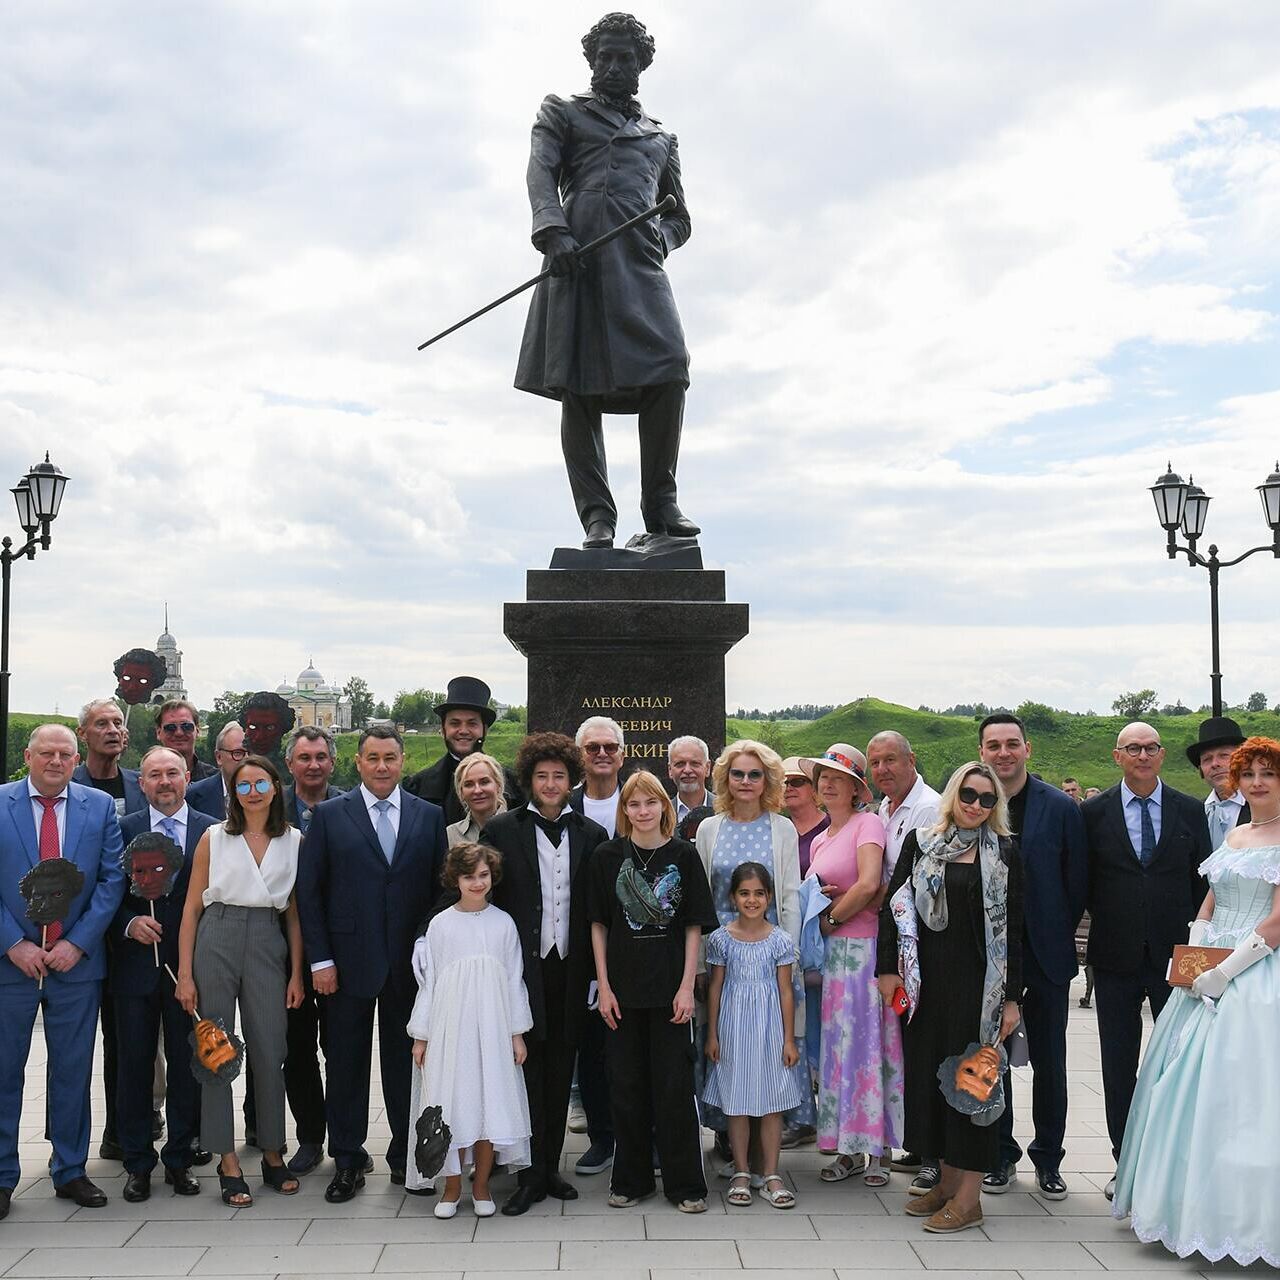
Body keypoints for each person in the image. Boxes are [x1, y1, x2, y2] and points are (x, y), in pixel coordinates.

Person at [516, 12, 697, 548]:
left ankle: (660, 504)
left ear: (641, 65)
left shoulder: (662, 138)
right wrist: (553, 230)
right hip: (578, 258)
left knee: (671, 368)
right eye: (605, 57)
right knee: (580, 384)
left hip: (639, 265)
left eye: (625, 58)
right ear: (591, 61)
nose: (613, 67)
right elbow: (540, 171)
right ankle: (598, 516)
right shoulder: (564, 112)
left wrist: (657, 241)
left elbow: (680, 217)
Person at [1112, 736, 1280, 1266]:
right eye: (1248, 774)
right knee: (1180, 1085)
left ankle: (1244, 1221)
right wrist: (1192, 959)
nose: (1256, 782)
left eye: (1267, 774)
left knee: (1242, 1094)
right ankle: (1181, 1207)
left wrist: (1225, 972)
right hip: (1208, 967)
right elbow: (1209, 897)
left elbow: (1276, 921)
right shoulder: (1236, 833)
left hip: (1256, 973)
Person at [295, 725, 447, 1202]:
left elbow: (441, 890)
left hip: (408, 964)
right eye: (373, 758)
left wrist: (426, 944)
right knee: (345, 1063)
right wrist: (320, 959)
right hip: (344, 963)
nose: (382, 767)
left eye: (390, 758)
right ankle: (347, 1158)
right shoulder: (329, 816)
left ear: (403, 762)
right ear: (357, 763)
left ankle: (407, 1156)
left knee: (408, 1062)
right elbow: (309, 892)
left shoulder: (429, 816)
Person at [877, 762, 1023, 1235]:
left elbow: (1016, 931)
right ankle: (944, 1182)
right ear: (953, 795)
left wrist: (1014, 999)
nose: (976, 805)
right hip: (925, 987)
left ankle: (969, 1198)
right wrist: (886, 972)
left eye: (986, 798)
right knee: (929, 1085)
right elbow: (892, 906)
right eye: (969, 794)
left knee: (972, 1089)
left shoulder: (1003, 853)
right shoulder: (921, 844)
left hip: (981, 991)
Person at [1080, 722, 1211, 1198]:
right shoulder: (1093, 813)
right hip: (1113, 957)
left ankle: (1171, 1165)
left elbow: (1204, 887)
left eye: (1150, 747)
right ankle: (1124, 1162)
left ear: (1162, 754)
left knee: (1179, 1060)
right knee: (1119, 1065)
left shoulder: (1189, 811)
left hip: (1177, 959)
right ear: (1117, 756)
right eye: (1132, 748)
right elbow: (1083, 881)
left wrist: (1199, 952)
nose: (1142, 755)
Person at [0, 724, 125, 1217]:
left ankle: (70, 1169)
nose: (56, 761)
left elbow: (113, 879)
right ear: (28, 756)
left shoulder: (98, 807)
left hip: (75, 965)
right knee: (5, 1070)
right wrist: (13, 944)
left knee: (73, 1070)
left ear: (77, 759)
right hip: (12, 965)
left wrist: (78, 942)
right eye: (46, 753)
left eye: (65, 754)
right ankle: (2, 1175)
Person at [483, 733, 609, 1215]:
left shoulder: (590, 834)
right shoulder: (501, 829)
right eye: (542, 776)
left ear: (570, 780)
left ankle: (549, 1167)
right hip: (521, 969)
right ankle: (525, 1172)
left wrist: (600, 973)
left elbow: (597, 909)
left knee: (562, 1067)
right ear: (529, 781)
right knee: (527, 1067)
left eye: (559, 776)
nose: (551, 783)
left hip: (573, 968)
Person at [175, 755, 304, 1207]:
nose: (252, 792)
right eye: (243, 785)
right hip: (218, 935)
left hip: (268, 939)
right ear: (233, 793)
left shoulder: (293, 840)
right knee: (216, 1050)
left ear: (275, 788)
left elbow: (293, 913)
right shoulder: (214, 837)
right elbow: (192, 907)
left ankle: (271, 1151)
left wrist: (297, 974)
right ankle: (227, 1159)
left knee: (271, 1048)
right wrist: (185, 973)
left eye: (260, 783)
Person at [589, 770, 717, 1211]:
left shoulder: (683, 855)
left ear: (664, 805)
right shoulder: (608, 856)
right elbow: (599, 925)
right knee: (625, 1087)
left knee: (674, 1088)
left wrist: (686, 988)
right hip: (621, 993)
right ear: (624, 811)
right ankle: (631, 1180)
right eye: (634, 804)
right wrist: (604, 987)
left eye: (650, 803)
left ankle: (685, 1185)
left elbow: (694, 926)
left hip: (669, 994)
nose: (643, 812)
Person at [977, 713, 1086, 1200]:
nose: (1003, 752)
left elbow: (1078, 881)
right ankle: (999, 1155)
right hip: (989, 958)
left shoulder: (1060, 808)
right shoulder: (974, 802)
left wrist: (1054, 929)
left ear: (1028, 749)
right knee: (991, 1062)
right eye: (994, 745)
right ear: (981, 751)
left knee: (1049, 1061)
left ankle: (1048, 1159)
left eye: (1012, 744)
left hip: (1044, 955)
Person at [696, 739, 811, 1163]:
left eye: (755, 774)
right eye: (738, 774)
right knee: (725, 1041)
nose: (746, 782)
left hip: (769, 951)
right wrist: (700, 960)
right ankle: (729, 1135)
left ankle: (769, 1146)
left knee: (768, 1043)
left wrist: (791, 953)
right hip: (722, 950)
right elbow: (703, 895)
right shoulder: (711, 827)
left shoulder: (781, 828)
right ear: (726, 778)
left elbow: (791, 893)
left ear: (768, 781)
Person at [407, 842, 532, 1218]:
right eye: (468, 876)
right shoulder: (441, 925)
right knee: (454, 1104)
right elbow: (430, 983)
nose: (477, 883)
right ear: (454, 880)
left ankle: (481, 1186)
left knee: (487, 1105)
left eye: (483, 875)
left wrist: (516, 1032)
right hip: (451, 1028)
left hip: (492, 1028)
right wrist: (421, 1034)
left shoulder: (504, 923)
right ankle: (451, 1186)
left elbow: (514, 980)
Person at [115, 747, 218, 1201]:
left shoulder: (211, 832)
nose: (164, 782)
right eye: (154, 774)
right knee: (134, 1066)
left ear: (187, 776)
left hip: (190, 970)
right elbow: (106, 891)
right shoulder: (123, 830)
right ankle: (137, 1162)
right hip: (134, 969)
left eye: (172, 773)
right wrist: (128, 921)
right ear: (142, 783)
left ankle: (180, 1157)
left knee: (187, 1066)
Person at [802, 744, 902, 1186]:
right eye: (822, 776)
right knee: (837, 1052)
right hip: (832, 958)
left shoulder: (869, 824)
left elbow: (870, 884)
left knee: (867, 1048)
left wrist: (830, 919)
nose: (827, 783)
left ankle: (875, 1149)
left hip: (862, 951)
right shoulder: (822, 836)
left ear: (856, 787)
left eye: (837, 777)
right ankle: (845, 1147)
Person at [866, 729, 942, 1191]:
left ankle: (935, 1154)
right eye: (875, 763)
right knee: (908, 1048)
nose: (882, 771)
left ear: (911, 759)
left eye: (890, 760)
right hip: (897, 943)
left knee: (927, 1047)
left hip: (924, 949)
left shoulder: (929, 808)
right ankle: (918, 1140)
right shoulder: (884, 809)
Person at [703, 862, 802, 1210]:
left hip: (769, 1029)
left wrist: (789, 1039)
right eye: (744, 893)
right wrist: (712, 1034)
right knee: (738, 1102)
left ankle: (772, 1173)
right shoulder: (721, 939)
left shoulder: (780, 940)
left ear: (769, 897)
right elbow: (715, 988)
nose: (752, 900)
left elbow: (786, 992)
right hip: (733, 1028)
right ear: (733, 897)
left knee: (771, 1102)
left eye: (759, 893)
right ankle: (742, 1171)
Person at [279, 725, 344, 1177]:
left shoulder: (349, 808)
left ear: (333, 762)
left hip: (340, 951)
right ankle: (308, 1136)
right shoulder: (266, 808)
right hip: (282, 952)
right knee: (295, 1048)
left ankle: (344, 1136)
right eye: (305, 758)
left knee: (340, 1048)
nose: (313, 765)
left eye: (321, 757)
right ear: (290, 764)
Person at [567, 714, 628, 1175]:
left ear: (622, 754)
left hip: (636, 948)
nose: (602, 754)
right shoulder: (563, 808)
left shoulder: (644, 802)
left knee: (632, 1048)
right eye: (593, 748)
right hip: (579, 947)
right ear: (580, 755)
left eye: (610, 747)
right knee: (591, 1049)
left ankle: (638, 1136)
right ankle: (602, 1137)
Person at [404, 677, 520, 825]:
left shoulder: (515, 786)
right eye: (455, 723)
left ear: (485, 730)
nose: (463, 731)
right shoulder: (417, 787)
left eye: (472, 723)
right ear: (443, 728)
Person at [73, 698, 145, 817]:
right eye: (102, 724)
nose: (112, 730)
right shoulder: (66, 785)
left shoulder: (143, 785)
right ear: (82, 733)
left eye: (117, 724)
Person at [1187, 715, 1250, 847]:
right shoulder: (1194, 812)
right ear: (1201, 770)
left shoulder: (1265, 806)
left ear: (1243, 761)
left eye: (1224, 756)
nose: (1215, 764)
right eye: (1207, 759)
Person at [186, 722, 248, 821]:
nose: (246, 760)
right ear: (219, 757)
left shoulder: (273, 794)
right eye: (238, 753)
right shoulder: (192, 796)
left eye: (252, 752)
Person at [446, 753, 508, 847]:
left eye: (484, 782)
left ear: (498, 785)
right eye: (469, 784)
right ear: (461, 792)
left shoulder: (520, 828)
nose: (477, 790)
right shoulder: (451, 834)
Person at [782, 756, 829, 878]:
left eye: (797, 782)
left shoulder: (833, 826)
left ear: (814, 788)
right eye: (784, 783)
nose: (789, 788)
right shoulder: (777, 828)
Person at [154, 699, 218, 782]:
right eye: (170, 728)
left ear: (197, 731)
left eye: (187, 727)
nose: (179, 733)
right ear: (158, 733)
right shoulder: (137, 784)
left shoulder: (217, 781)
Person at [669, 736, 714, 823]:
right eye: (680, 764)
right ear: (670, 770)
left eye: (695, 763)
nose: (687, 770)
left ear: (707, 768)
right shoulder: (661, 814)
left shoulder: (726, 810)